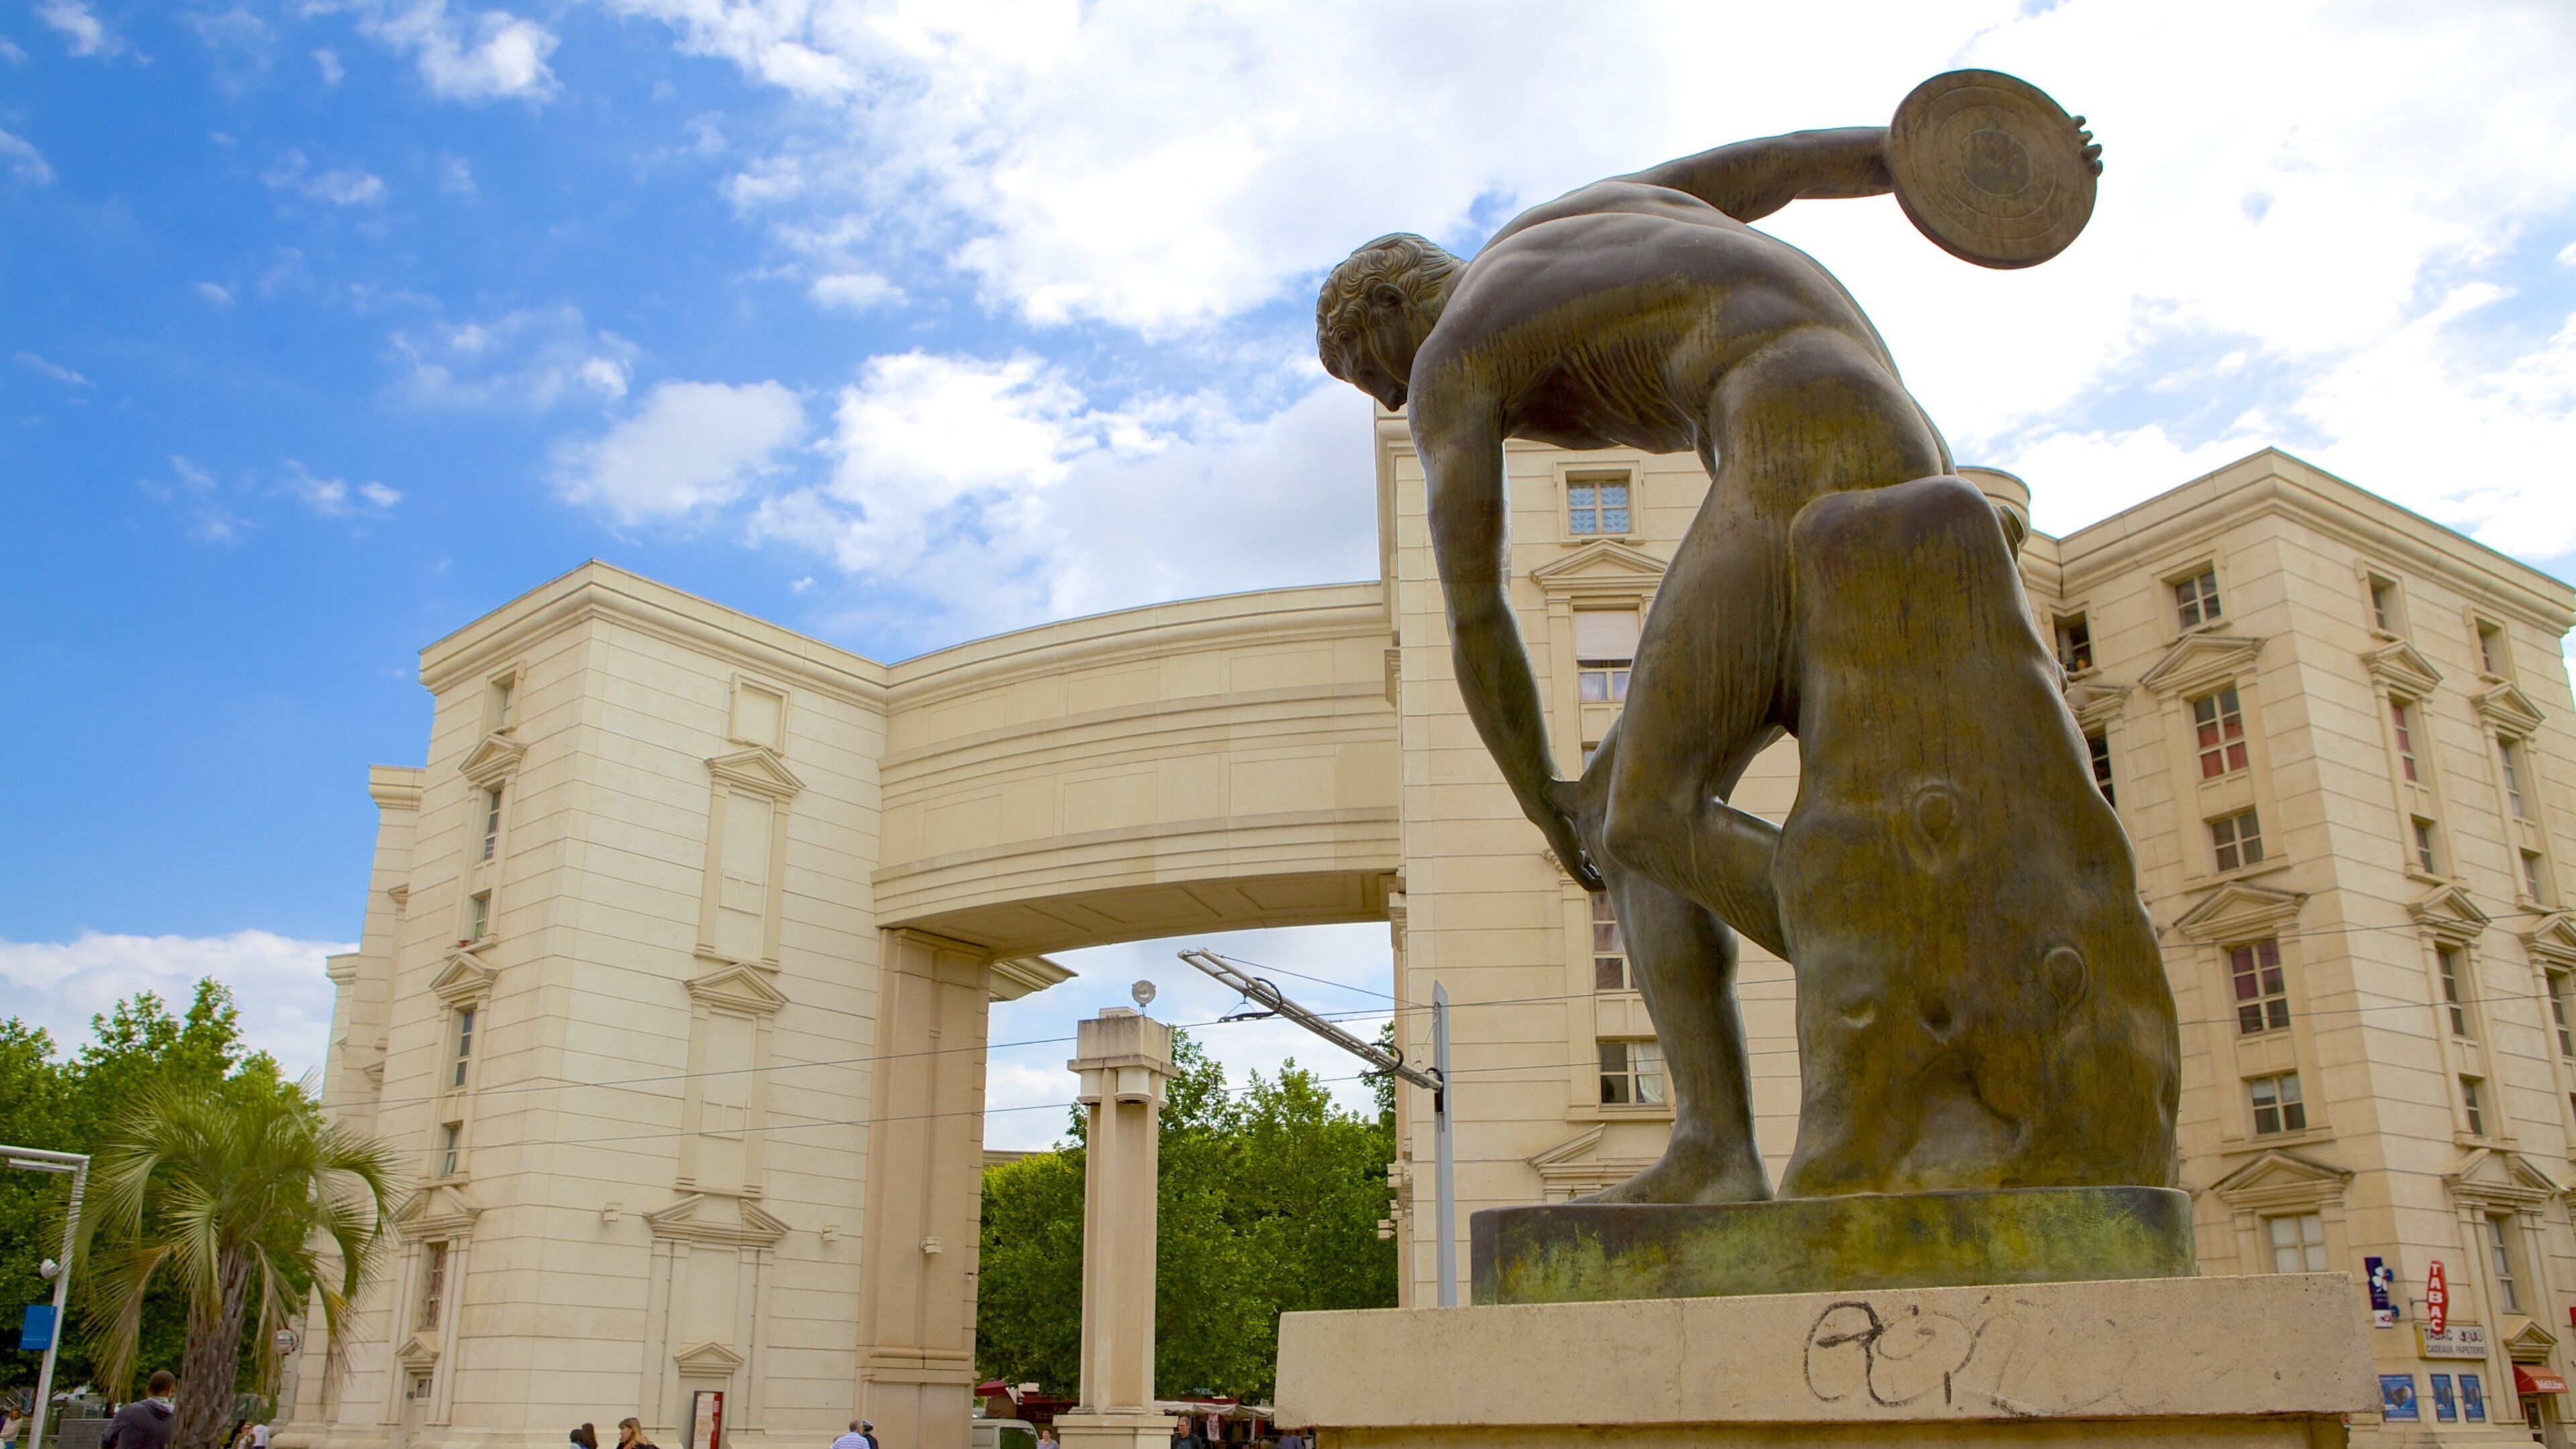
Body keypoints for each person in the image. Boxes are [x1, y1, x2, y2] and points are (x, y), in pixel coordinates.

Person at [1314, 101, 2173, 1201]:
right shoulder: (1594, 210)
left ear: (1393, 306)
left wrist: (1543, 800)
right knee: (1640, 816)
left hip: (1792, 440)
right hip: (1899, 436)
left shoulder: (1455, 356)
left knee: (1632, 815)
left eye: (1368, 369)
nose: (1389, 395)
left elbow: (1475, 611)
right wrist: (1958, 159)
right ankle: (1718, 1141)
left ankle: (1894, 991)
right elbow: (1782, 166)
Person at [101, 1373, 176, 1449]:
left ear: (147, 1389)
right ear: (169, 1391)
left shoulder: (129, 1411)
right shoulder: (177, 1420)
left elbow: (106, 1439)